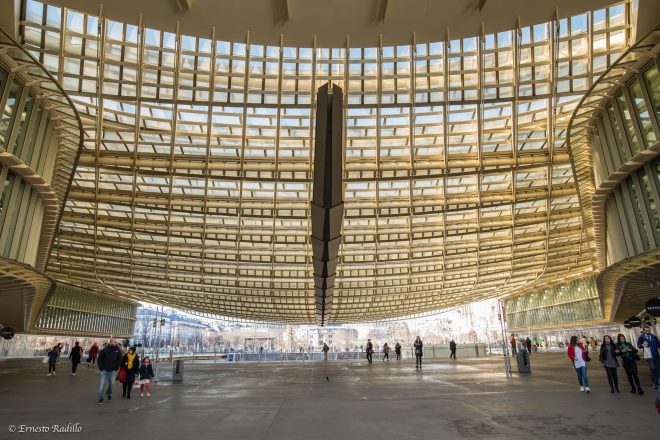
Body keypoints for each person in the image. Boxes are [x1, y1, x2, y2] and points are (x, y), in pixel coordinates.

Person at [97, 338, 122, 404]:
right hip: (104, 370)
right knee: (101, 386)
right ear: (110, 342)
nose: (115, 343)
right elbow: (99, 359)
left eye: (116, 342)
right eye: (114, 342)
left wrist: (116, 368)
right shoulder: (104, 350)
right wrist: (101, 368)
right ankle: (101, 398)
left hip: (113, 371)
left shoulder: (118, 351)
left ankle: (109, 393)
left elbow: (119, 360)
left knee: (111, 384)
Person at [637, 326, 660, 390]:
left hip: (656, 355)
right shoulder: (641, 337)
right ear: (644, 331)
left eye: (649, 330)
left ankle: (658, 382)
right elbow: (638, 345)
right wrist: (642, 345)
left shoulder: (654, 336)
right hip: (649, 355)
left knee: (658, 369)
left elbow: (659, 344)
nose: (648, 331)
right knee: (653, 368)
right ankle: (654, 382)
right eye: (646, 330)